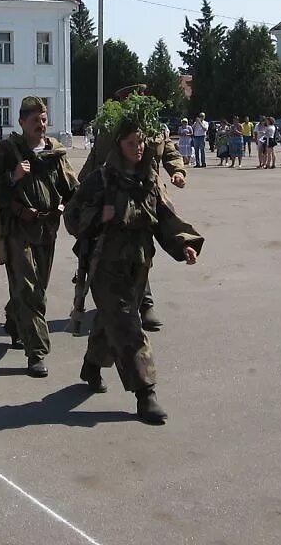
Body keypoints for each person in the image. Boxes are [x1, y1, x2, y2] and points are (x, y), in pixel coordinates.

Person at [63, 108, 204, 424]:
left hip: (139, 265)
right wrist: (99, 217)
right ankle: (146, 393)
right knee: (128, 325)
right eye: (131, 142)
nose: (138, 148)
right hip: (105, 266)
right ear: (118, 145)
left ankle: (92, 364)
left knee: (111, 321)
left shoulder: (148, 179)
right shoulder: (100, 179)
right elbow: (71, 216)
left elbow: (165, 218)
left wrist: (184, 244)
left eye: (141, 141)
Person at [0, 96, 79, 377]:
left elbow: (73, 189)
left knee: (37, 287)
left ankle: (15, 320)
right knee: (29, 288)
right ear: (22, 122)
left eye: (44, 119)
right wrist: (12, 177)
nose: (41, 125)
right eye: (35, 120)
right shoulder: (9, 151)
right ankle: (36, 352)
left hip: (47, 230)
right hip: (18, 230)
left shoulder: (55, 153)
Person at [76, 89, 186, 333]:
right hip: (117, 195)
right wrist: (77, 190)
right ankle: (135, 306)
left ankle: (144, 304)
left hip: (149, 192)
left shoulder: (153, 129)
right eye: (131, 100)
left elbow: (170, 152)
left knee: (143, 249)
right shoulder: (113, 130)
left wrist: (178, 171)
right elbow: (94, 162)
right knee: (122, 248)